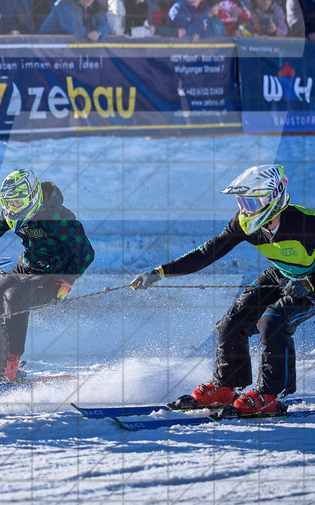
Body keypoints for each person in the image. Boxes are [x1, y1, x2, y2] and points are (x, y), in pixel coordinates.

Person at [130, 165, 315, 416]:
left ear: (274, 197)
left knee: (272, 322)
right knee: (230, 323)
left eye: (252, 201)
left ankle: (269, 395)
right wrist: (160, 272)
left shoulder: (304, 222)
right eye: (243, 202)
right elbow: (208, 252)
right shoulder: (243, 223)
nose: (246, 209)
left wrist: (309, 283)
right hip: (282, 274)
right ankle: (224, 388)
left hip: (310, 284)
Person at [0, 169, 94, 381]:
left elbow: (85, 253)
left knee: (14, 297)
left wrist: (69, 279)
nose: (10, 208)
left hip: (52, 278)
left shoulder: (59, 217)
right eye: (7, 203)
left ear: (32, 198)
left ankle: (10, 364)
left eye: (16, 203)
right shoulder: (10, 214)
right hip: (25, 269)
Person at [40, 0, 108, 40]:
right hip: (46, 44)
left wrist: (98, 33)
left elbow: (104, 25)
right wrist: (91, 33)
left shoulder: (94, 5)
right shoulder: (67, 3)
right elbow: (75, 31)